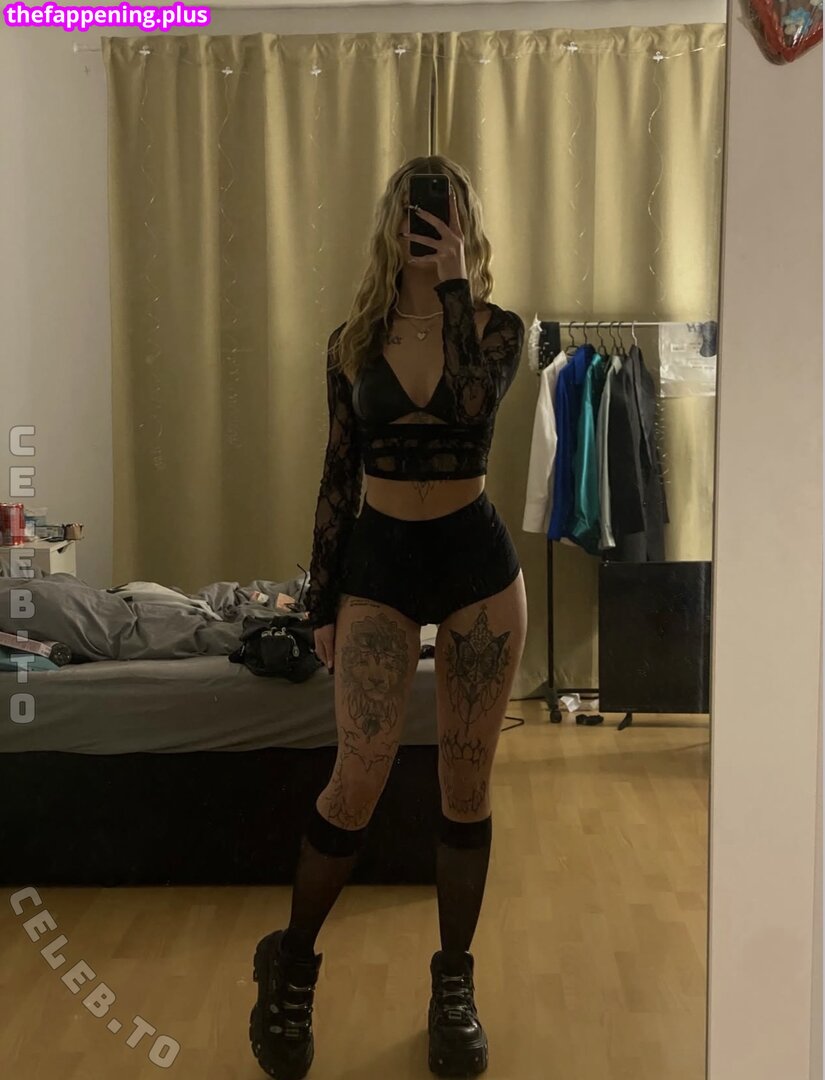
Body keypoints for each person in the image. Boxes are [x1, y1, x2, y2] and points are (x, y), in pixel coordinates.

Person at [249, 156, 528, 1080]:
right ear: (390, 223)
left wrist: (453, 288)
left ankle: (453, 987)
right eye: (414, 213)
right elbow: (337, 474)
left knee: (464, 785)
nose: (425, 227)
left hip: (475, 566)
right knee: (356, 780)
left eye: (441, 213)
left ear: (464, 224)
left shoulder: (495, 328)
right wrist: (320, 601)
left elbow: (474, 409)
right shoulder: (353, 342)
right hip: (380, 563)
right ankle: (291, 966)